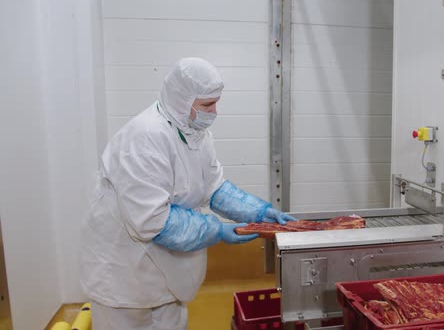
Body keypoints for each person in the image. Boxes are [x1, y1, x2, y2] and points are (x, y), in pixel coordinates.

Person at [80, 57, 296, 330]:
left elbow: (215, 188)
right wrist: (217, 230)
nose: (214, 111)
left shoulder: (196, 134)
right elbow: (151, 221)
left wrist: (260, 212)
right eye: (207, 104)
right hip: (124, 274)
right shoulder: (145, 138)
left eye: (216, 102)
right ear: (182, 100)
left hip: (166, 273)